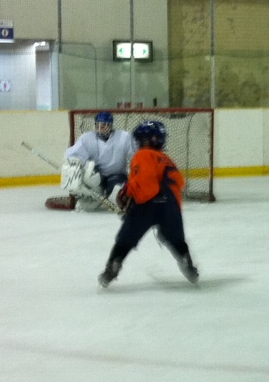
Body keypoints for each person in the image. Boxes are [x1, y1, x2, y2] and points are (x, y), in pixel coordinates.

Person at [98, 120, 198, 287]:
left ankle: (113, 266)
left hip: (147, 204)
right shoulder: (166, 159)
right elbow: (178, 184)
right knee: (175, 239)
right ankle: (186, 261)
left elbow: (146, 185)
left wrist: (130, 195)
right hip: (171, 206)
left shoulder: (143, 155)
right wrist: (171, 212)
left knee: (126, 239)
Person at [60, 111, 134, 210]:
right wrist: (74, 162)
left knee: (118, 194)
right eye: (97, 125)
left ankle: (115, 195)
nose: (100, 128)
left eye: (103, 125)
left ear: (110, 125)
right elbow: (74, 155)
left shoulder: (123, 137)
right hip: (96, 175)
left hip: (116, 175)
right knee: (88, 206)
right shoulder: (87, 138)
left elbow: (135, 155)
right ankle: (87, 196)